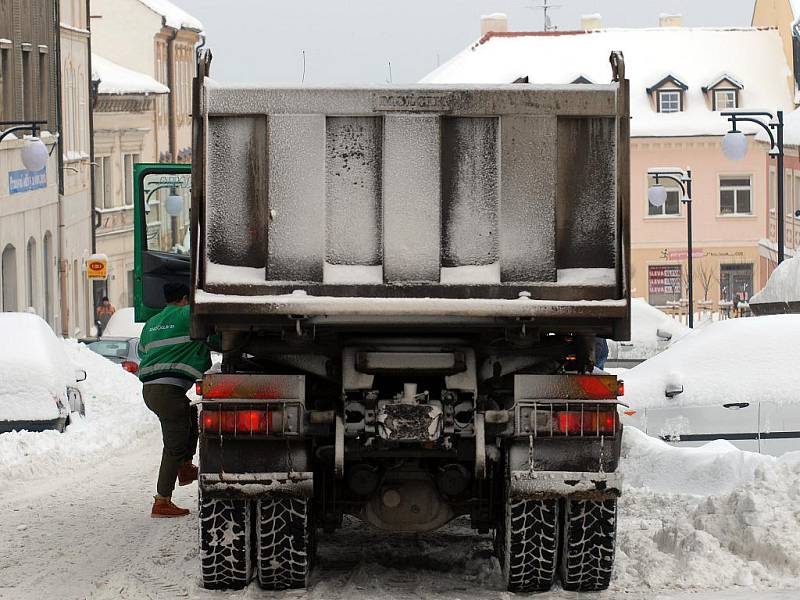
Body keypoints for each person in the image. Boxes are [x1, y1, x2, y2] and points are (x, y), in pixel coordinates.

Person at [139, 282, 211, 518]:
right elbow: (211, 332)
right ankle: (162, 500)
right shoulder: (186, 314)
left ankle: (185, 467)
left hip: (151, 389)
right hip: (168, 390)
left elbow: (142, 351)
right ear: (184, 298)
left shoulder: (151, 323)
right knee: (173, 446)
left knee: (189, 413)